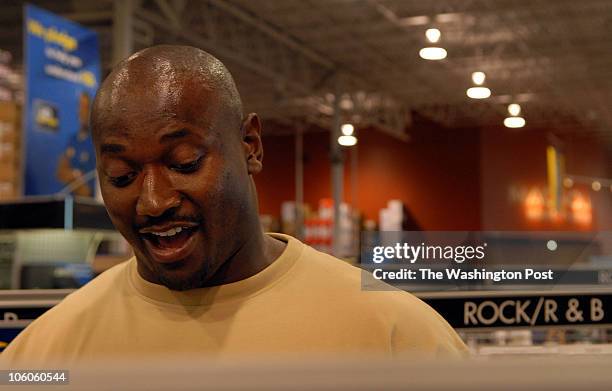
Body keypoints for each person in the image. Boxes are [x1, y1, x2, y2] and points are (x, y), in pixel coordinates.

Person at [2, 45, 467, 366]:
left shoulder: (396, 337)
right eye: (122, 177)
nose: (153, 201)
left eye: (184, 163)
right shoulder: (43, 358)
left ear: (250, 145)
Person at [56, 91, 96, 197]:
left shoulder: (96, 141)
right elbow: (60, 172)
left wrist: (72, 178)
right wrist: (74, 177)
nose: (82, 112)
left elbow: (87, 191)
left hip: (89, 204)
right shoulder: (72, 140)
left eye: (86, 107)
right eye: (80, 107)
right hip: (69, 202)